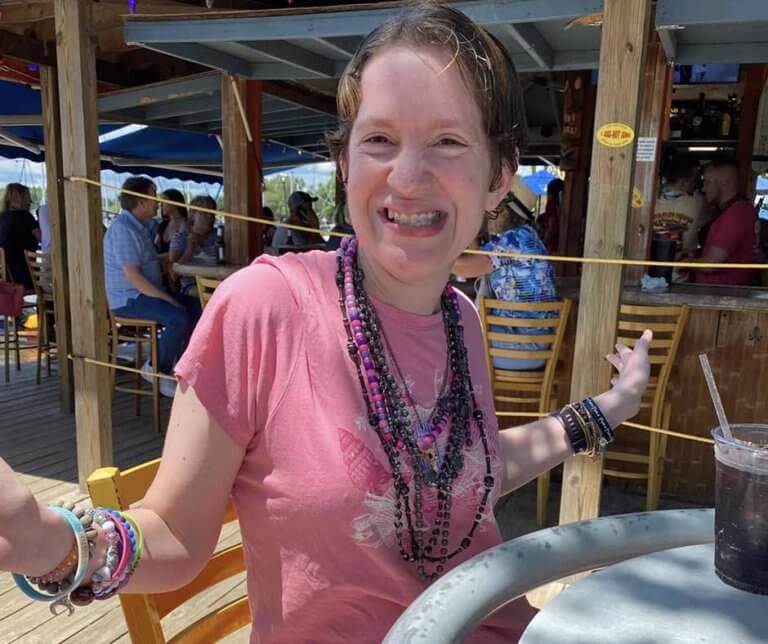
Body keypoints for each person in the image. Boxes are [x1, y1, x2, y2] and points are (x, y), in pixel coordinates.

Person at [0, 5, 652, 643]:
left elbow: (465, 473)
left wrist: (603, 410)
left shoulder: (460, 318)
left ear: (497, 176)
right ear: (345, 164)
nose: (408, 174)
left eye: (448, 141)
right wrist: (57, 547)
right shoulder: (264, 307)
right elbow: (174, 534)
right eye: (379, 140)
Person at [103, 176, 199, 397]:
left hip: (142, 294)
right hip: (129, 300)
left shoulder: (139, 227)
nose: (157, 202)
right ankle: (157, 368)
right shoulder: (124, 229)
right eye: (153, 196)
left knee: (199, 307)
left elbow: (147, 263)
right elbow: (134, 278)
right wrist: (168, 298)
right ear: (141, 201)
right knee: (178, 316)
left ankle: (182, 366)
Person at [453, 194, 557, 370]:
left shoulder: (513, 242)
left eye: (493, 209)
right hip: (530, 347)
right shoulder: (524, 237)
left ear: (507, 212)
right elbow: (475, 257)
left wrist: (430, 254)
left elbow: (465, 269)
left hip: (520, 348)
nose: (487, 214)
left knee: (445, 336)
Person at [694, 155, 757, 286]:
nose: (703, 188)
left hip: (720, 297)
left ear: (723, 183)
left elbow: (710, 265)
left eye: (707, 182)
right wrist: (696, 254)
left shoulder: (735, 214)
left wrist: (682, 262)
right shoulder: (738, 210)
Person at [652, 153, 709, 256]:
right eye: (694, 180)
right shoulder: (698, 202)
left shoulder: (651, 199)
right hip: (682, 266)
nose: (695, 184)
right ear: (685, 181)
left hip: (652, 265)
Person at [169, 195, 218, 295]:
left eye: (213, 213)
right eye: (206, 213)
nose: (211, 217)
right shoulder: (181, 238)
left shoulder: (220, 235)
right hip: (191, 286)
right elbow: (173, 275)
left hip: (218, 282)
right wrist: (189, 250)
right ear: (193, 214)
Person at [0, 183, 40, 290]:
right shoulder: (25, 216)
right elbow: (40, 238)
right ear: (22, 198)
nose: (30, 200)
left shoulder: (2, 217)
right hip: (24, 273)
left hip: (7, 273)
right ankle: (47, 304)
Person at [153, 188, 188, 255]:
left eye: (164, 201)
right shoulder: (163, 224)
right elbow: (155, 246)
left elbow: (181, 251)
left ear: (175, 203)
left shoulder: (184, 223)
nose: (161, 205)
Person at [537, 177, 563, 255]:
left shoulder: (552, 205)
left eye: (548, 193)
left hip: (553, 248)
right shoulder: (562, 205)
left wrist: (543, 245)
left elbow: (552, 227)